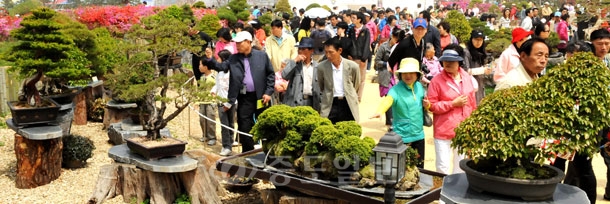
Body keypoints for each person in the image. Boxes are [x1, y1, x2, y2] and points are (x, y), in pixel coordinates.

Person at [205, 31, 275, 153]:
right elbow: (221, 67)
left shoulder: (261, 56)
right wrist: (210, 59)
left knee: (265, 124)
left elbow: (270, 74)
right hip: (244, 97)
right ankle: (248, 152)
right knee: (244, 125)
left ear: (248, 42)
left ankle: (268, 152)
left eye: (239, 43)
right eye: (236, 43)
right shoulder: (233, 58)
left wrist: (268, 92)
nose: (237, 45)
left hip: (261, 97)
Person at [371, 58, 429, 168]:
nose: (408, 76)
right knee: (401, 168)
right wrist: (380, 111)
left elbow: (425, 105)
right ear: (400, 75)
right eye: (405, 73)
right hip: (402, 136)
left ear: (417, 74)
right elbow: (388, 100)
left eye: (411, 73)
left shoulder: (420, 87)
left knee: (419, 167)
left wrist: (428, 105)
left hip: (419, 135)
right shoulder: (395, 90)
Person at [427, 49, 477, 174]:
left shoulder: (467, 78)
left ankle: (457, 192)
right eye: (445, 61)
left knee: (460, 166)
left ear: (459, 63)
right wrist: (452, 104)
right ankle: (442, 192)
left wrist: (474, 123)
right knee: (442, 167)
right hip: (444, 130)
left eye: (451, 61)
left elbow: (472, 103)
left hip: (463, 130)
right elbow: (432, 106)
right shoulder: (436, 81)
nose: (448, 64)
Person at [317, 37, 360, 123]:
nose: (328, 55)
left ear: (339, 50)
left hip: (347, 103)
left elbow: (356, 85)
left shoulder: (352, 66)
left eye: (331, 52)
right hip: (331, 104)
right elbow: (322, 86)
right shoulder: (321, 67)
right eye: (326, 52)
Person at [374, 28, 405, 129]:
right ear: (392, 36)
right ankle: (389, 121)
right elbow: (377, 61)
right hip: (386, 75)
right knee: (389, 97)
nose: (396, 40)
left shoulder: (401, 47)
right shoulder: (383, 47)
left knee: (397, 99)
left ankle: (396, 120)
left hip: (397, 75)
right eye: (395, 37)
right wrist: (387, 64)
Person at [282, 37, 321, 112]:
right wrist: (295, 61)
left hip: (311, 102)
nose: (300, 51)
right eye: (299, 49)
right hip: (295, 102)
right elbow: (284, 75)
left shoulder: (317, 66)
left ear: (311, 50)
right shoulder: (294, 64)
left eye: (303, 49)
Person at [212, 50, 234, 156]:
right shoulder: (219, 72)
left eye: (219, 58)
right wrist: (213, 90)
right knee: (224, 124)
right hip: (221, 101)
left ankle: (231, 142)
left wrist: (228, 103)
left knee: (231, 124)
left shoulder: (232, 72)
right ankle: (226, 145)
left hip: (231, 102)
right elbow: (217, 84)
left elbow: (234, 88)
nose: (217, 60)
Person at [463, 30, 492, 104]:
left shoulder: (482, 52)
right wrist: (482, 70)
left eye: (481, 40)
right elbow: (464, 70)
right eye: (476, 39)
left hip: (480, 85)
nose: (478, 42)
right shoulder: (466, 52)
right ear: (471, 39)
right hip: (470, 85)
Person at [349, 12, 371, 102]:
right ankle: (353, 94)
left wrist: (363, 58)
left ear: (359, 20)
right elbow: (350, 43)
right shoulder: (351, 30)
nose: (352, 19)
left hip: (361, 58)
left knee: (361, 79)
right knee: (352, 77)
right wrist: (349, 55)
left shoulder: (366, 31)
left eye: (354, 18)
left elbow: (366, 45)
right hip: (352, 57)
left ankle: (358, 97)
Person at [197, 58, 217, 146]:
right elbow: (200, 90)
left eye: (200, 65)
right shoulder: (202, 78)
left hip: (210, 102)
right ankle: (205, 135)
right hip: (202, 101)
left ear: (206, 67)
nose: (199, 67)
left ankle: (212, 137)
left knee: (210, 121)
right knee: (202, 120)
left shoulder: (213, 78)